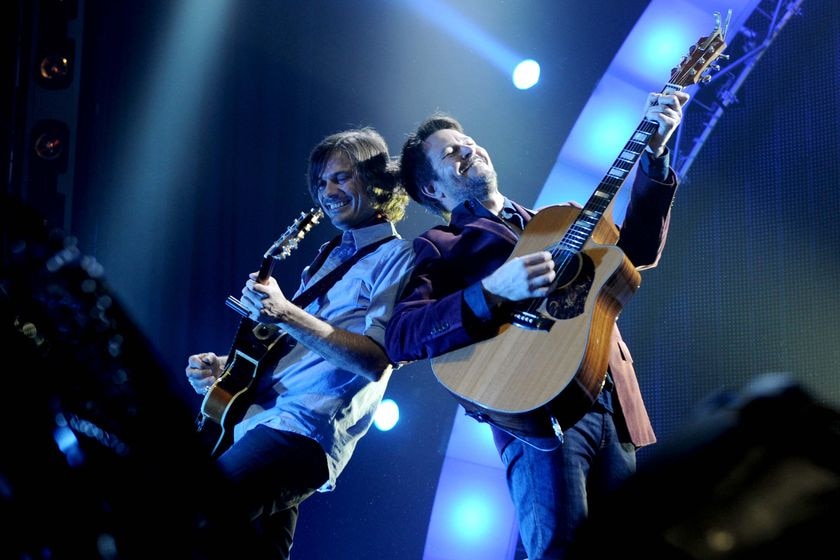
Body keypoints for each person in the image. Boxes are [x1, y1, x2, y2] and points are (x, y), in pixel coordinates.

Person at [384, 90, 689, 559]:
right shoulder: (441, 244)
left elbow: (637, 255)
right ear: (433, 191)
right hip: (539, 411)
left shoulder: (556, 221)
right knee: (559, 550)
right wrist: (490, 291)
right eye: (450, 152)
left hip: (612, 400)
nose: (467, 149)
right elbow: (403, 335)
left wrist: (656, 154)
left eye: (467, 141)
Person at [185, 127, 413, 559]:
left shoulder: (398, 258)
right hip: (261, 418)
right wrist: (230, 371)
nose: (328, 192)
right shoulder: (328, 255)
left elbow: (375, 362)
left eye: (342, 178)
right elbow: (301, 347)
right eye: (322, 182)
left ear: (377, 183)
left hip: (303, 428)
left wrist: (286, 310)